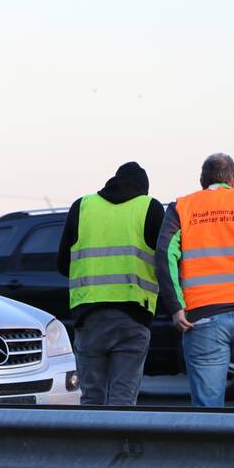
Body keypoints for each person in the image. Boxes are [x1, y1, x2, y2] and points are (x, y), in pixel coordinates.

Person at [154, 153, 234, 408]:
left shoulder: (181, 208)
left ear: (202, 180)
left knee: (207, 408)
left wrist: (175, 306)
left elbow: (164, 255)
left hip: (201, 318)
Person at [56, 162, 164, 405]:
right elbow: (166, 263)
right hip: (134, 317)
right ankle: (119, 443)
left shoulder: (82, 206)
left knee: (92, 397)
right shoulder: (150, 208)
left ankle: (91, 443)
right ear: (143, 190)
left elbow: (62, 263)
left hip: (89, 317)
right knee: (122, 398)